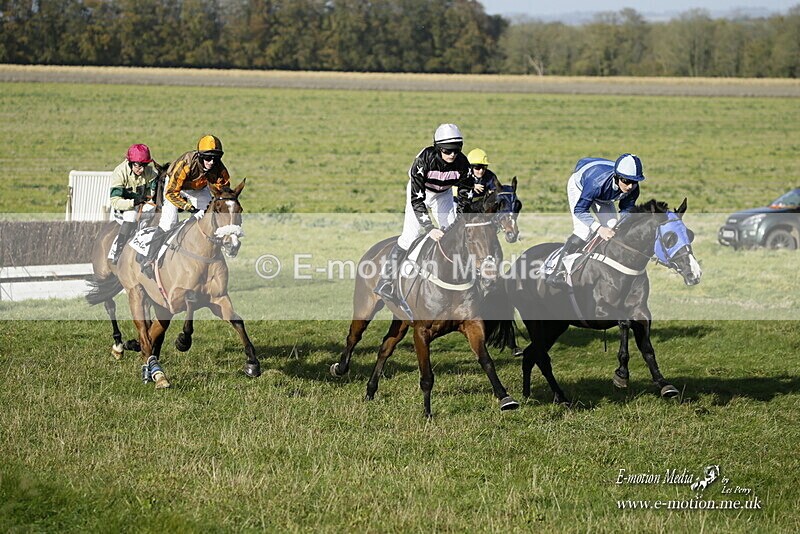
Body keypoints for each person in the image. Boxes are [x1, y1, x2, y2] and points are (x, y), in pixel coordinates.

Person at [373, 123, 472, 314]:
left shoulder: (463, 163)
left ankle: (463, 276)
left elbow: (465, 193)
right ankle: (385, 281)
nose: (452, 154)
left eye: (456, 150)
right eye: (447, 150)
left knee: (455, 234)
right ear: (437, 148)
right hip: (420, 193)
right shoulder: (423, 161)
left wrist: (460, 218)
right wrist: (429, 227)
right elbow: (417, 200)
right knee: (410, 236)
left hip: (443, 194)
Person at [546, 153, 645, 288]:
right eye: (626, 181)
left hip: (604, 195)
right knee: (584, 230)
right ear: (617, 177)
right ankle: (556, 271)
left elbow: (626, 212)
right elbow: (580, 210)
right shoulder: (596, 184)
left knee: (612, 226)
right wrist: (599, 228)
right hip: (581, 187)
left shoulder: (633, 189)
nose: (629, 186)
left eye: (634, 182)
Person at [141, 134, 230, 278]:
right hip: (176, 187)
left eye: (216, 157)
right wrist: (190, 208)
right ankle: (148, 259)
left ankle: (211, 256)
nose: (212, 162)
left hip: (199, 189)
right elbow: (171, 193)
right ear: (200, 156)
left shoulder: (219, 169)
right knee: (169, 222)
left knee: (209, 220)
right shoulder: (186, 164)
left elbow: (223, 192)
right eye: (208, 158)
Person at [109, 144, 158, 264]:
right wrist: (134, 202)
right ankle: (118, 251)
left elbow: (154, 195)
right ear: (130, 163)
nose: (140, 170)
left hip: (143, 206)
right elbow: (115, 201)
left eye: (144, 166)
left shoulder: (150, 173)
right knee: (131, 215)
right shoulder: (119, 172)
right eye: (137, 166)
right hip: (124, 208)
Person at [458, 148, 500, 212]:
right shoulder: (462, 174)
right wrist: (471, 186)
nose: (481, 171)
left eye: (484, 167)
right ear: (470, 167)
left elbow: (496, 191)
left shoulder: (490, 176)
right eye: (477, 168)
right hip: (460, 204)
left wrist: (492, 193)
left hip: (480, 207)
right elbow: (453, 189)